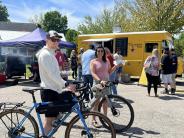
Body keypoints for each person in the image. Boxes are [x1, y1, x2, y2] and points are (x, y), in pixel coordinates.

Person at [36, 30, 76, 135]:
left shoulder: (51, 53)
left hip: (53, 89)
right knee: (50, 121)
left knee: (53, 118)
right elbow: (52, 75)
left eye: (58, 40)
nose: (56, 42)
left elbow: (56, 74)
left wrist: (64, 85)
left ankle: (47, 135)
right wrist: (66, 84)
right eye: (53, 39)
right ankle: (45, 135)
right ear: (47, 40)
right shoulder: (45, 54)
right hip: (49, 91)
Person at [90, 45, 119, 127]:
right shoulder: (93, 61)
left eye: (101, 51)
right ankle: (93, 120)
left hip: (106, 84)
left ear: (103, 52)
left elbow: (109, 71)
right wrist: (100, 80)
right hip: (98, 84)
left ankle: (105, 118)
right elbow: (93, 73)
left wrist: (115, 66)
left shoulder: (106, 60)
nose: (100, 52)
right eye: (98, 51)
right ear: (96, 52)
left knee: (105, 102)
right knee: (96, 102)